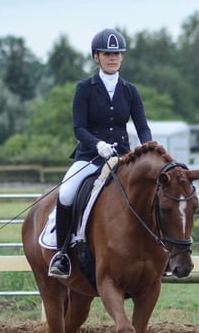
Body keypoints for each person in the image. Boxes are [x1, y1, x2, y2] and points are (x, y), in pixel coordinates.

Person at [48, 28, 152, 278]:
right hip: (90, 156)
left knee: (152, 193)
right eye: (107, 53)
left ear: (122, 58)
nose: (113, 58)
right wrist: (97, 144)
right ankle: (62, 254)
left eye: (117, 54)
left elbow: (142, 126)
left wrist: (149, 150)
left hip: (123, 158)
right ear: (96, 57)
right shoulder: (85, 88)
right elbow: (78, 127)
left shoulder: (130, 91)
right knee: (67, 192)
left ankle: (159, 252)